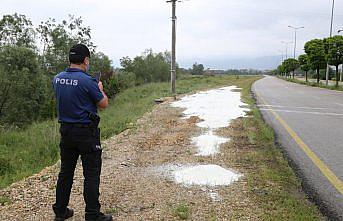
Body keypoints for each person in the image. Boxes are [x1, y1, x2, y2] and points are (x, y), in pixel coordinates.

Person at [52, 44, 112, 221]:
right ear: (86, 60)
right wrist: (99, 89)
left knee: (66, 172)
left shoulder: (57, 79)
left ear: (70, 59)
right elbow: (103, 104)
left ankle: (60, 211)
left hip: (66, 132)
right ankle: (92, 215)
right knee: (91, 174)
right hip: (86, 132)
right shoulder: (88, 81)